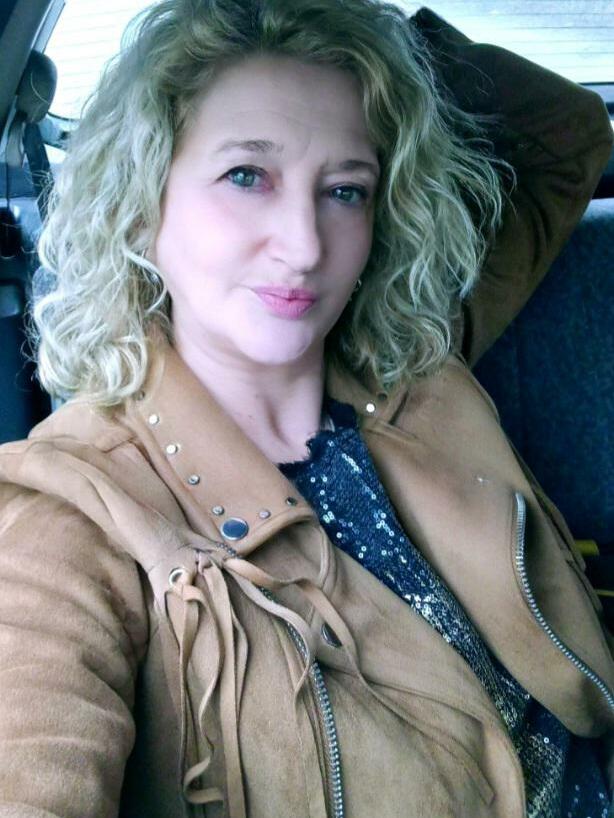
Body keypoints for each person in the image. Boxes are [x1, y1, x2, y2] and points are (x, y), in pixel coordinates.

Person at [0, 1, 612, 816]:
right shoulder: (68, 514)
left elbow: (566, 129)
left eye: (345, 190)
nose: (305, 246)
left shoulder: (416, 366)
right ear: (142, 206)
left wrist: (355, 40)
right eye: (246, 176)